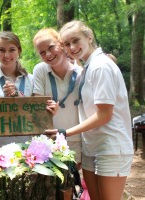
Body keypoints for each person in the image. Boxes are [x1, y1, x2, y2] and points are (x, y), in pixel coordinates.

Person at [47, 20, 133, 200]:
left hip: (111, 147)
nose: (72, 47)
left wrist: (65, 132)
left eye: (75, 40)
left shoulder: (101, 66)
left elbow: (104, 114)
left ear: (89, 37)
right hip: (92, 147)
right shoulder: (87, 67)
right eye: (67, 44)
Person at [32, 28, 82, 167]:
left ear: (61, 44)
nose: (48, 54)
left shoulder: (80, 72)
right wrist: (46, 110)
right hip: (50, 138)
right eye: (42, 52)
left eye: (51, 47)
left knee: (71, 183)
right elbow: (38, 105)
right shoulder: (40, 70)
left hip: (76, 138)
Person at [0, 31, 35, 151]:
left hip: (27, 147)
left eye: (12, 50)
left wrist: (18, 95)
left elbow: (36, 112)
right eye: (2, 50)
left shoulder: (31, 79)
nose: (7, 55)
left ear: (19, 51)